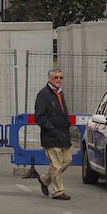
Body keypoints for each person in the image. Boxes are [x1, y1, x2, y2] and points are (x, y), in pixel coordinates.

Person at [34, 69, 73, 201]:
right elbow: (39, 117)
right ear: (49, 78)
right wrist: (50, 128)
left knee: (67, 161)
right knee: (56, 165)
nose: (59, 80)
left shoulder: (60, 94)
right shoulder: (43, 94)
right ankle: (58, 191)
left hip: (63, 135)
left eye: (61, 77)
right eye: (56, 77)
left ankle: (44, 179)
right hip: (51, 136)